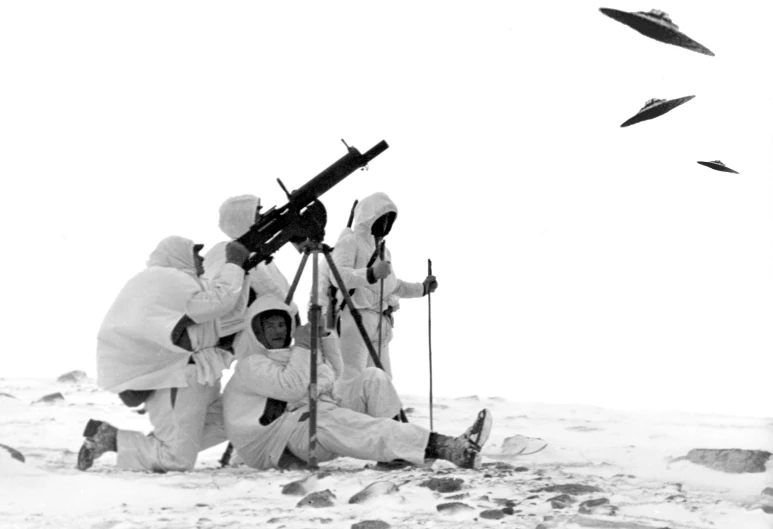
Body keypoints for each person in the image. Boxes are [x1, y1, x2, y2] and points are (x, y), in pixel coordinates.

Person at [222, 297, 492, 470]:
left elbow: (329, 374)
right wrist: (306, 350)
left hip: (314, 417)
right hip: (284, 439)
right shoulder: (251, 365)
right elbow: (293, 387)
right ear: (257, 332)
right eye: (270, 326)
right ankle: (448, 447)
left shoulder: (296, 354)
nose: (279, 331)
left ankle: (399, 455)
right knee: (337, 420)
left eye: (282, 324)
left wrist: (319, 344)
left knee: (372, 377)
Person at [77, 235, 250, 472]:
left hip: (196, 372)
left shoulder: (177, 285)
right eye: (195, 252)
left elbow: (230, 314)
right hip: (177, 378)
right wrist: (234, 265)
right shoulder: (168, 281)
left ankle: (154, 444)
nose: (201, 258)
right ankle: (113, 439)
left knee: (229, 422)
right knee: (176, 461)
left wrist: (243, 271)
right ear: (177, 255)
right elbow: (220, 303)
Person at [324, 192, 437, 394]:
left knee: (382, 379)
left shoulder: (384, 251)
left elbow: (394, 287)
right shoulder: (350, 241)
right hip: (355, 317)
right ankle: (346, 418)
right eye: (381, 218)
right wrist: (370, 273)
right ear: (371, 217)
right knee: (351, 376)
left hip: (380, 321)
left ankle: (381, 422)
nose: (385, 224)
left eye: (389, 219)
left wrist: (423, 289)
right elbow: (338, 275)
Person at [203, 194, 300, 345]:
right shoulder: (232, 250)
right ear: (243, 218)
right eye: (257, 213)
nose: (262, 217)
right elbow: (267, 287)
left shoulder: (243, 250)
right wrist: (293, 314)